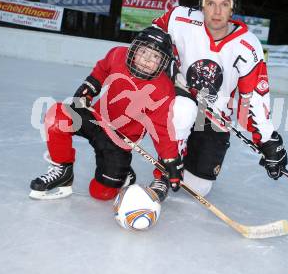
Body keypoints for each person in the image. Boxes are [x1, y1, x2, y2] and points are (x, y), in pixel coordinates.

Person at [153, 0, 288, 196]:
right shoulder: (179, 19)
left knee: (199, 188)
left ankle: (184, 154)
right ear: (201, 4)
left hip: (215, 115)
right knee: (183, 111)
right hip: (183, 96)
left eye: (224, 4)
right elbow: (150, 39)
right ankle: (163, 174)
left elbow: (254, 97)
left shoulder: (248, 46)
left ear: (233, 7)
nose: (217, 11)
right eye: (211, 3)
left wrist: (267, 140)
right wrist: (163, 62)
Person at [29, 27, 183, 202]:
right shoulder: (118, 55)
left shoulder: (163, 88)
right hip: (96, 118)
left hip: (120, 138)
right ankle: (62, 170)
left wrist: (170, 159)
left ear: (163, 63)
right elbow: (102, 70)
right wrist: (90, 87)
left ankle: (123, 175)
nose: (147, 60)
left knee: (101, 193)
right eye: (143, 51)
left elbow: (162, 129)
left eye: (156, 57)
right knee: (58, 115)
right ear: (134, 48)